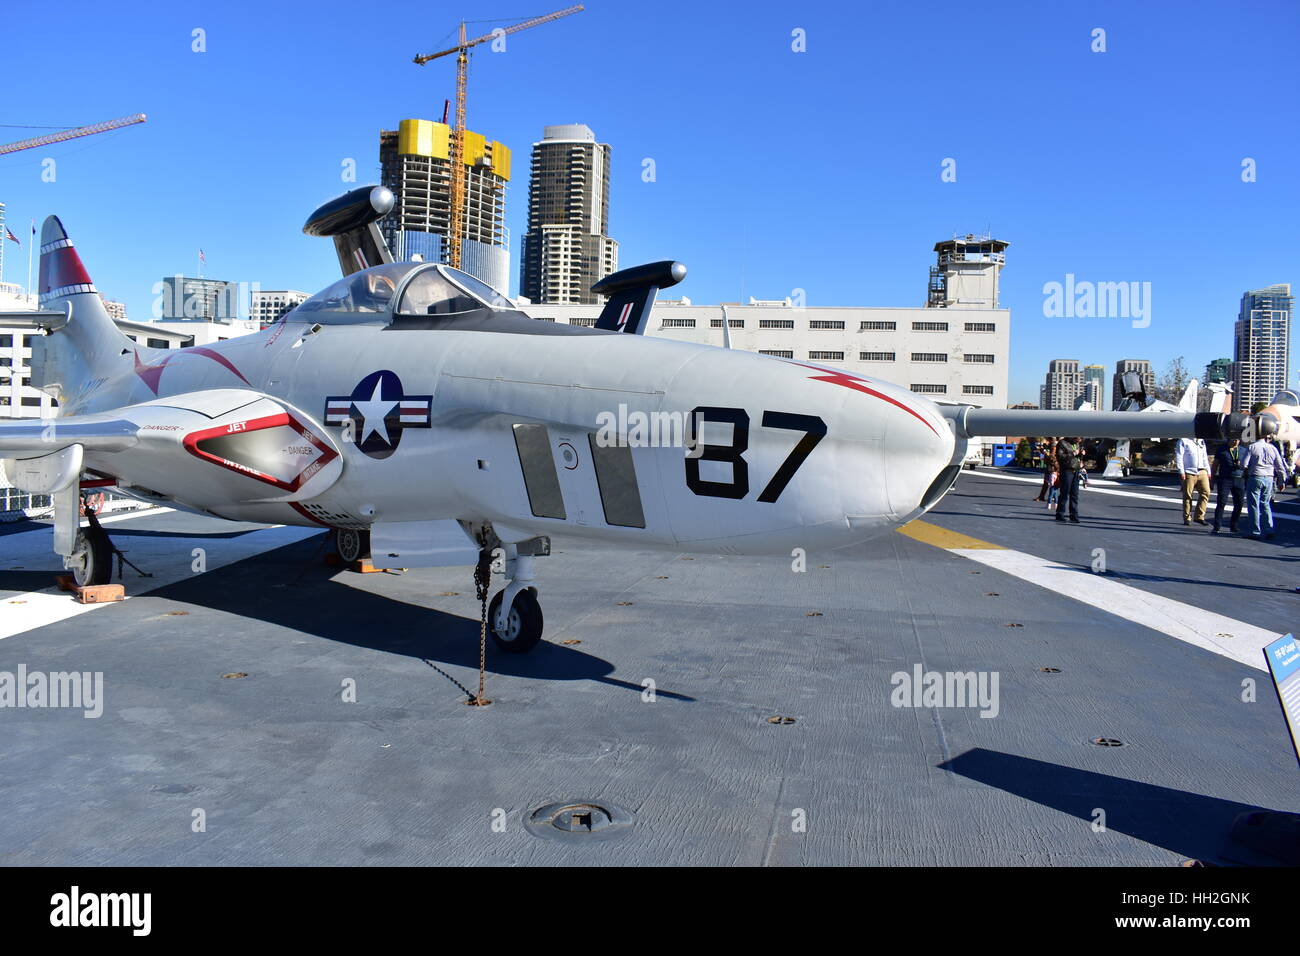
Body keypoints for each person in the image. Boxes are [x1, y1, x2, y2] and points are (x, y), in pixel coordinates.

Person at [1243, 434, 1287, 540]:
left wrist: (1246, 472)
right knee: (1265, 504)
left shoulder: (1252, 447)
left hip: (1255, 476)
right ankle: (1269, 529)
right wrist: (1281, 481)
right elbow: (1280, 466)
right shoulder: (1272, 448)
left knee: (1253, 504)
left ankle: (1255, 531)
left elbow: (1243, 464)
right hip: (1269, 478)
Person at [1175, 435, 1211, 526]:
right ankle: (1187, 518)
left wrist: (1208, 471)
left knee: (1206, 492)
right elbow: (1179, 456)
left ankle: (1199, 517)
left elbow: (1204, 457)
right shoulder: (1183, 440)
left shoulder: (1201, 441)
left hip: (1202, 471)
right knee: (1188, 495)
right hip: (1189, 472)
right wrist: (1181, 471)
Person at [1211, 438, 1244, 534]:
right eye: (1234, 440)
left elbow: (1248, 465)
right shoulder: (1222, 450)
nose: (1236, 442)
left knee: (1239, 504)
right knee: (1221, 502)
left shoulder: (1243, 450)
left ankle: (1234, 525)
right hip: (1225, 479)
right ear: (1229, 440)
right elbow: (1215, 465)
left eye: (1238, 440)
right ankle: (1217, 526)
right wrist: (1212, 480)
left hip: (1239, 479)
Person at [1054, 437, 1083, 523]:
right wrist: (1073, 453)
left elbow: (1076, 457)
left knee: (1075, 494)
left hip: (1076, 470)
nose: (1079, 441)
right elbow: (1059, 456)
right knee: (1064, 493)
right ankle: (1060, 513)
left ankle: (1074, 515)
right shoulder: (1063, 443)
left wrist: (1081, 454)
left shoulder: (1076, 444)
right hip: (1067, 470)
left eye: (1080, 439)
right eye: (1078, 439)